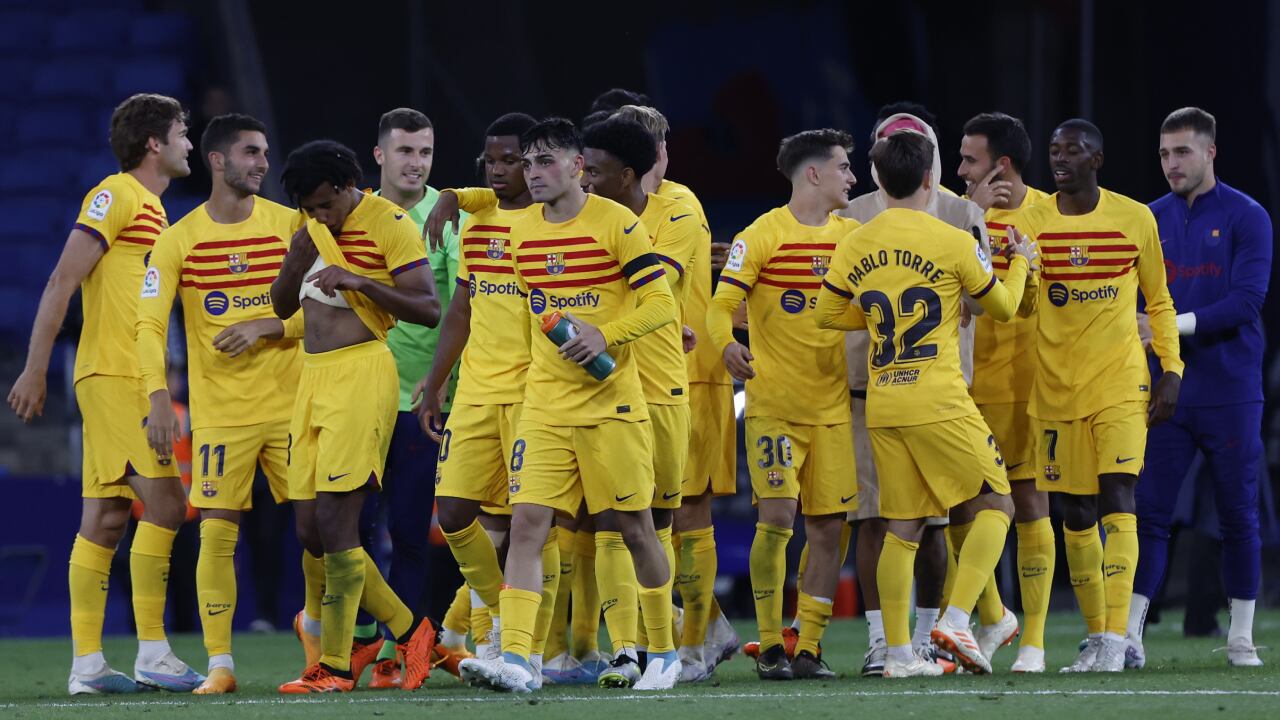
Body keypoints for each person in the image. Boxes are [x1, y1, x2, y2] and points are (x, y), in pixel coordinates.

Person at [456, 118, 680, 693]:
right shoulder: (519, 233)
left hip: (611, 405)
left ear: (578, 166)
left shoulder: (617, 223)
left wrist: (607, 335)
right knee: (528, 525)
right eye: (527, 164)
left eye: (546, 162)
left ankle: (663, 652)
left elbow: (660, 303)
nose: (533, 174)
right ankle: (518, 659)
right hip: (546, 405)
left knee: (635, 528)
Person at [816, 130, 1036, 677]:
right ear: (931, 179)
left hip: (883, 401)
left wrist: (869, 315)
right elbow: (1004, 308)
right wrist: (1022, 262)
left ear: (878, 180)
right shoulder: (953, 238)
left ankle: (896, 654)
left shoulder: (855, 241)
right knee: (998, 504)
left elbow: (826, 314)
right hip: (938, 397)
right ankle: (959, 620)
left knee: (902, 526)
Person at [7, 93, 205, 695]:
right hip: (117, 376)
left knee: (107, 515)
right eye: (182, 133)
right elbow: (63, 278)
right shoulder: (116, 194)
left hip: (119, 374)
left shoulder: (154, 211)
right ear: (154, 143)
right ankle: (153, 649)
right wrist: (34, 368)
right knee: (169, 506)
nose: (189, 144)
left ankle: (87, 665)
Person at [134, 113, 305, 694]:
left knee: (320, 529)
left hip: (292, 409)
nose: (263, 162)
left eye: (264, 152)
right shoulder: (177, 239)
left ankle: (329, 655)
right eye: (251, 152)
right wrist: (158, 397)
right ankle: (220, 665)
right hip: (220, 418)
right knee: (215, 535)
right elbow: (148, 326)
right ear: (216, 160)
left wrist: (270, 327)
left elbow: (331, 309)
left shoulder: (292, 227)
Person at [270, 140, 441, 693]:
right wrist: (294, 264)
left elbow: (428, 306)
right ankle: (412, 629)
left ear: (348, 186)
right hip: (310, 378)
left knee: (340, 525)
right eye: (310, 207)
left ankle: (336, 668)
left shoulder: (389, 222)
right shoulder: (306, 223)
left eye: (326, 204)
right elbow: (281, 307)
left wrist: (360, 280)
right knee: (309, 531)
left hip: (362, 374)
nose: (320, 216)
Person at [1019, 119, 1182, 673]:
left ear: (1098, 159)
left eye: (1074, 150)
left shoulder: (1135, 217)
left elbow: (1159, 301)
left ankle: (1119, 638)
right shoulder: (1033, 223)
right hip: (1055, 388)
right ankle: (1096, 636)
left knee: (1118, 494)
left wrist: (1172, 369)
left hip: (1120, 382)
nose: (1060, 158)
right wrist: (1025, 270)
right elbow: (1020, 309)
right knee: (1077, 510)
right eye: (1054, 150)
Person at [837, 104, 991, 676]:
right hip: (870, 389)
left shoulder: (961, 212)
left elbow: (832, 310)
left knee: (931, 526)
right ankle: (891, 641)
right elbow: (987, 301)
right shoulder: (848, 215)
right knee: (876, 521)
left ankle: (921, 639)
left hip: (922, 389)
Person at [707, 129, 858, 680]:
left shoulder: (853, 237)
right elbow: (722, 303)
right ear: (813, 173)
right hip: (774, 406)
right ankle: (770, 645)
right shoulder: (762, 234)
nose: (852, 176)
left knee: (829, 528)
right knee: (776, 519)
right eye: (843, 167)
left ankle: (810, 646)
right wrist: (726, 344)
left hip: (834, 410)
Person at [1129, 107, 1272, 668]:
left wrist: (1166, 327)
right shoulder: (1147, 217)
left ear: (1211, 152)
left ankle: (1240, 637)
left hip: (1231, 388)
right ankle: (1131, 634)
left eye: (1182, 152)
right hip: (1166, 389)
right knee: (1149, 513)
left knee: (1238, 514)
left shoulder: (1247, 215)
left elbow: (1247, 301)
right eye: (1164, 153)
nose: (1171, 164)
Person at [613, 104, 741, 679]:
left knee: (686, 512)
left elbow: (650, 282)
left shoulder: (679, 205)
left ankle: (692, 646)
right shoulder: (609, 209)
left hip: (688, 373)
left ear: (660, 153)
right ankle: (705, 629)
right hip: (627, 371)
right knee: (637, 517)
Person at [579, 116, 703, 687]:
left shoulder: (675, 210)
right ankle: (628, 650)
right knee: (610, 520)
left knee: (659, 520)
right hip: (606, 389)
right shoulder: (577, 215)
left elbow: (658, 285)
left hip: (663, 384)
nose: (584, 179)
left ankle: (668, 648)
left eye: (594, 171)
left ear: (628, 173)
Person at [414, 111, 538, 674]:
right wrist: (436, 383)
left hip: (537, 393)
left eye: (510, 159)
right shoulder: (478, 220)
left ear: (534, 163)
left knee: (532, 525)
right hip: (479, 391)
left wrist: (450, 197)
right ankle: (491, 613)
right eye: (490, 160)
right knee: (455, 511)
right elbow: (462, 307)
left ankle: (523, 646)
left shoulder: (552, 220)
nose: (498, 170)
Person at [351, 107, 468, 687]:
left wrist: (443, 380)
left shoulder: (448, 215)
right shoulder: (354, 214)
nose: (417, 163)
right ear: (379, 156)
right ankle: (361, 639)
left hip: (423, 403)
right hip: (359, 397)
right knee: (348, 529)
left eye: (425, 152)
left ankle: (403, 650)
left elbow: (460, 307)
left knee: (408, 530)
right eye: (405, 151)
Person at [955, 112, 1054, 672]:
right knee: (961, 506)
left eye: (970, 159)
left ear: (1004, 164)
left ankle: (1034, 644)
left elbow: (1042, 301)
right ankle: (990, 621)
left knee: (1030, 504)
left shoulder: (1043, 215)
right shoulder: (954, 214)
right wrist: (976, 213)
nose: (962, 169)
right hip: (961, 388)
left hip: (1024, 386)